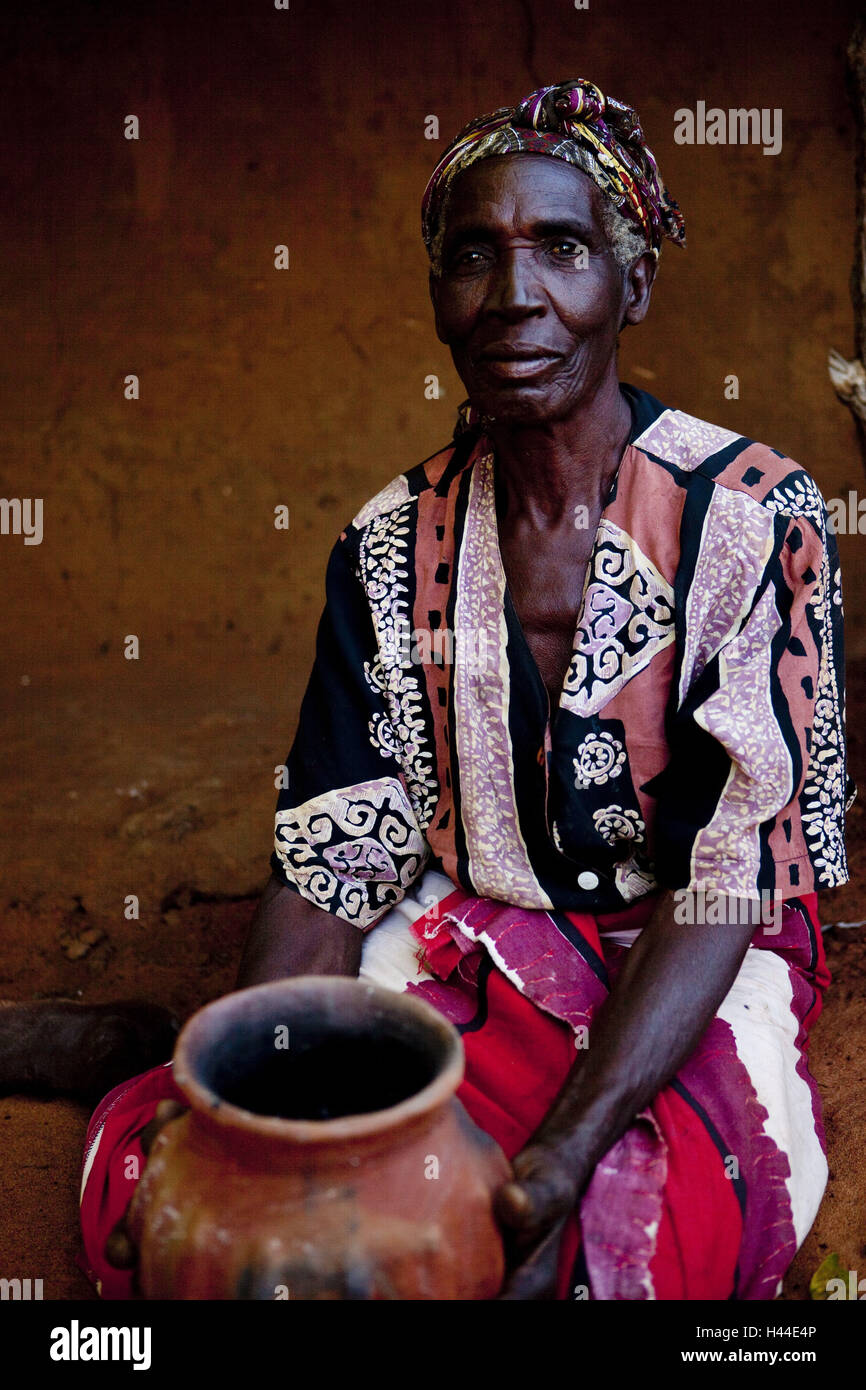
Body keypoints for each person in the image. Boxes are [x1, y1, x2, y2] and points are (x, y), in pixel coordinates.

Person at [7, 79, 852, 1300]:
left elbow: (724, 884)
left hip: (697, 954)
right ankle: (158, 1050)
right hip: (472, 930)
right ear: (437, 297)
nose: (515, 297)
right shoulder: (387, 545)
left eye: (562, 249)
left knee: (625, 1254)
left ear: (633, 285)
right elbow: (336, 866)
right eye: (473, 256)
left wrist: (559, 1161)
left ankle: (169, 1044)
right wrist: (233, 1115)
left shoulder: (746, 518)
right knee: (198, 1206)